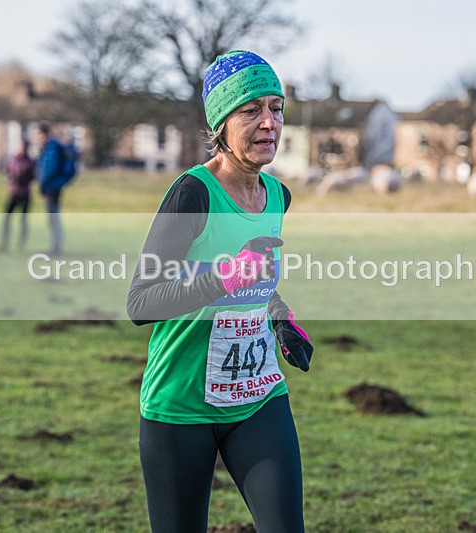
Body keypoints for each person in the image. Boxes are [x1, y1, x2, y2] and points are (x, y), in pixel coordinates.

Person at [127, 50, 314, 533]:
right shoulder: (192, 194)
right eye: (251, 111)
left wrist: (278, 315)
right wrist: (224, 278)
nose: (268, 123)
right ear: (221, 124)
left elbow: (259, 277)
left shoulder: (278, 196)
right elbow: (141, 302)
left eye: (275, 108)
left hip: (257, 395)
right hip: (181, 406)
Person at [36, 122, 67, 255]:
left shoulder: (51, 148)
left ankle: (55, 247)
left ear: (43, 134)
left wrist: (44, 183)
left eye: (37, 134)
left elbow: (50, 168)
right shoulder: (49, 147)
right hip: (52, 186)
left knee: (53, 216)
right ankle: (55, 246)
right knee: (52, 216)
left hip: (52, 187)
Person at [0, 139, 36, 252]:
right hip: (13, 193)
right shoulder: (12, 160)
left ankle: (21, 244)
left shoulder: (30, 162)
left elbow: (33, 176)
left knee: (23, 220)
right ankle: (4, 242)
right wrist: (11, 178)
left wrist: (22, 178)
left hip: (24, 193)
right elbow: (6, 173)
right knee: (7, 218)